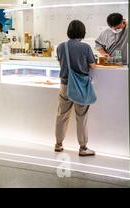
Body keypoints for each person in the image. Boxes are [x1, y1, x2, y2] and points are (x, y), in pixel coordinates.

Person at [55, 20, 97, 157]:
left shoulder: (61, 46)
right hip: (80, 86)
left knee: (62, 116)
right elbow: (93, 65)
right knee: (81, 116)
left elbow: (60, 63)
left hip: (64, 85)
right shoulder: (85, 47)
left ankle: (59, 144)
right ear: (82, 32)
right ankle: (83, 148)